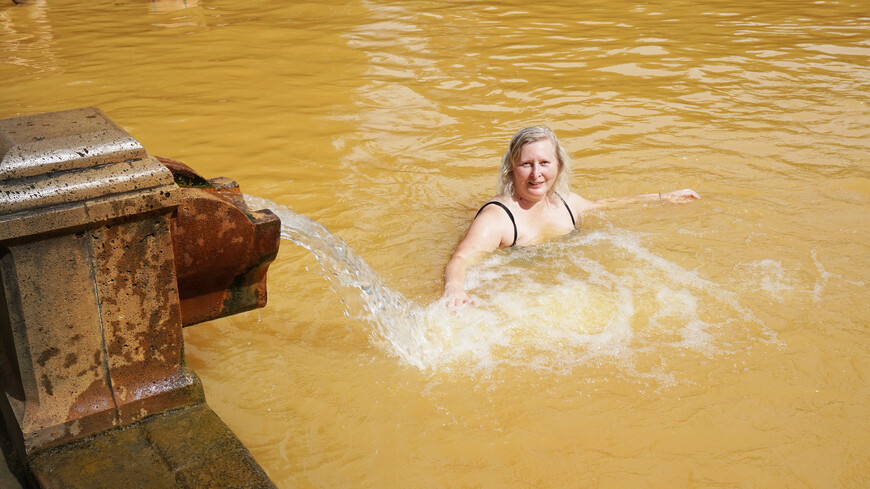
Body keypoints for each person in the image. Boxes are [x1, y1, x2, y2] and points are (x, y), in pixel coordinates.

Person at [442, 126, 700, 308]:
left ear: (559, 166)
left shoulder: (567, 203)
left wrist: (662, 197)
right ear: (511, 170)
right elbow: (462, 258)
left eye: (544, 163)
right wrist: (455, 290)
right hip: (520, 296)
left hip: (564, 295)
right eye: (526, 164)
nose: (536, 174)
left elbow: (607, 205)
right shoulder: (498, 219)